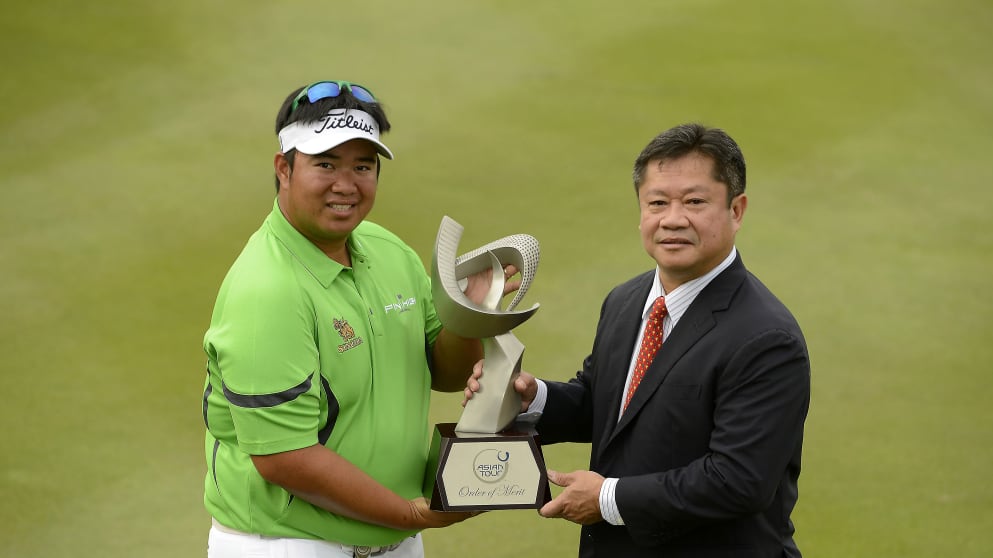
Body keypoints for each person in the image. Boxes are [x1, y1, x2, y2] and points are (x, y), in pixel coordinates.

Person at [465, 123, 811, 557]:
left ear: (736, 210)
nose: (673, 219)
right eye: (657, 203)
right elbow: (608, 406)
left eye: (695, 202)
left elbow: (738, 480)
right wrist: (532, 399)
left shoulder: (767, 338)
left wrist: (608, 499)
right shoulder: (626, 301)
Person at [201, 80, 502, 558]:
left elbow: (444, 372)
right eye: (325, 164)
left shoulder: (388, 251)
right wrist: (409, 515)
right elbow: (284, 457)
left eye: (363, 166)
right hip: (290, 544)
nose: (346, 184)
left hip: (394, 535)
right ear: (284, 168)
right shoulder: (266, 290)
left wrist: (465, 316)